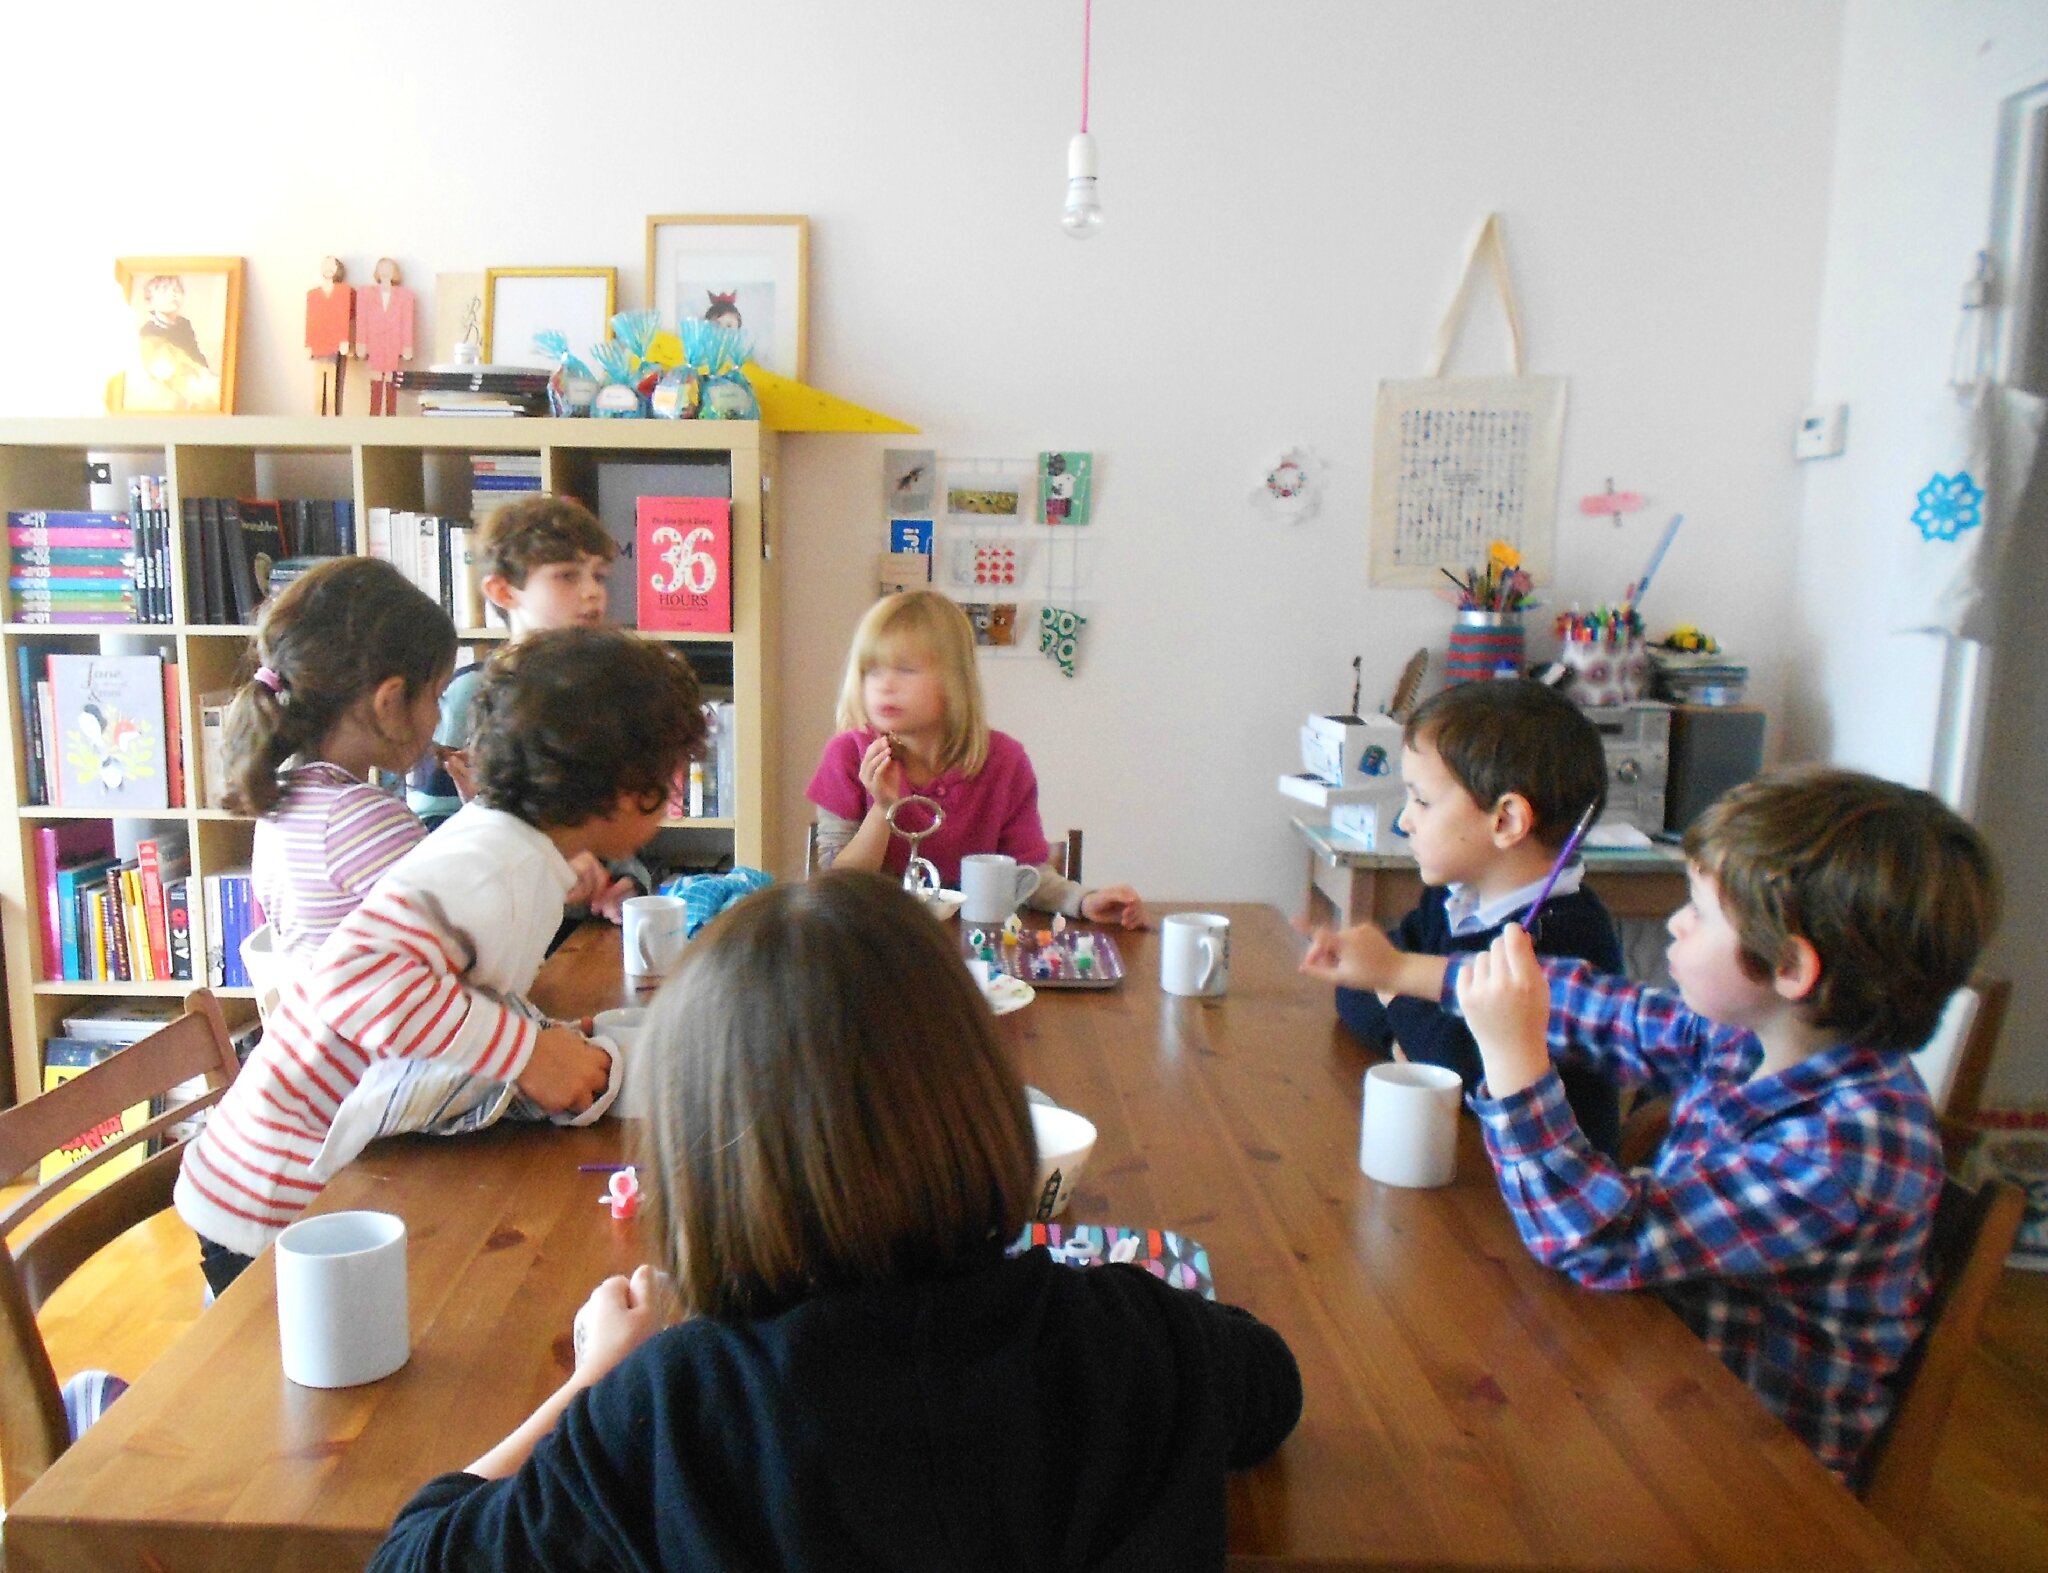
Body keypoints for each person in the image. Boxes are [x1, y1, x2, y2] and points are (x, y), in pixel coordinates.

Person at [368, 873, 1302, 1571]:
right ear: (979, 1098)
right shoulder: (1136, 1342)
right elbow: (1271, 1385)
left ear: (705, 1161)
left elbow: (413, 1556)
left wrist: (589, 1379)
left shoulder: (666, 1413)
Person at [1301, 766, 1998, 1482]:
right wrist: (1399, 967)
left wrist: (1513, 1055)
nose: (1675, 921)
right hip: (1652, 1375)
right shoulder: (1758, 1036)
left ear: (1790, 967)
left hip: (1746, 1478)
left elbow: (1594, 1237)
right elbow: (1604, 1010)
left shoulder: (1845, 1151)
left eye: (1698, 909)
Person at [176, 628, 708, 1296]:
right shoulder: (495, 865)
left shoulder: (515, 849)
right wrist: (530, 1053)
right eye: (673, 775)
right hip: (276, 1197)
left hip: (302, 1180)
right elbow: (352, 978)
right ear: (631, 787)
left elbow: (453, 996)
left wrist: (540, 1037)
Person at [1330, 678, 1627, 1156]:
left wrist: (1393, 985)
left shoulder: (1563, 937)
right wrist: (1404, 1036)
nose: (1404, 821)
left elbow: (1463, 1072)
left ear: (1506, 821)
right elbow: (1352, 992)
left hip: (1539, 1202)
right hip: (1462, 1158)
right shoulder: (1453, 903)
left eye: (1422, 800)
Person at [807, 589, 1144, 925]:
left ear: (954, 679)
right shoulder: (849, 754)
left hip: (978, 945)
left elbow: (1025, 874)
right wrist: (883, 808)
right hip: (875, 941)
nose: (885, 685)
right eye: (872, 671)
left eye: (905, 669)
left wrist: (1084, 901)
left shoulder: (1004, 762)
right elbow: (838, 885)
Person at [407, 494, 643, 918]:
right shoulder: (474, 693)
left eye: (599, 576)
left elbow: (616, 820)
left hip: (584, 926)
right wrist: (544, 856)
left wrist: (629, 881)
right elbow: (431, 830)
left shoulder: (601, 695)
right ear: (502, 590)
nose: (592, 592)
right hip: (497, 924)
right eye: (567, 576)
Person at [221, 558, 454, 973]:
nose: (438, 717)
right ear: (391, 702)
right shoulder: (364, 818)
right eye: (437, 695)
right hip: (381, 1035)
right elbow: (469, 952)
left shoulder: (286, 800)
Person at [356, 255, 414, 416]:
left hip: (394, 343)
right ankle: (374, 417)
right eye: (382, 269)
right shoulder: (366, 293)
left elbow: (407, 322)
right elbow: (362, 320)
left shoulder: (405, 296)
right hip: (375, 342)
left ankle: (390, 417)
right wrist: (361, 343)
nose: (386, 273)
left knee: (390, 379)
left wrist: (407, 346)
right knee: (375, 379)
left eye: (389, 269)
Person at [304, 255, 354, 416]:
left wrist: (344, 340)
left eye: (331, 265)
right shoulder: (313, 294)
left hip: (335, 343)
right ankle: (318, 415)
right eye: (325, 265)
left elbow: (345, 316)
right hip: (318, 342)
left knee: (332, 383)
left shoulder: (344, 292)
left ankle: (332, 416)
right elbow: (311, 319)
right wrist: (308, 344)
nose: (328, 269)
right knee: (319, 382)